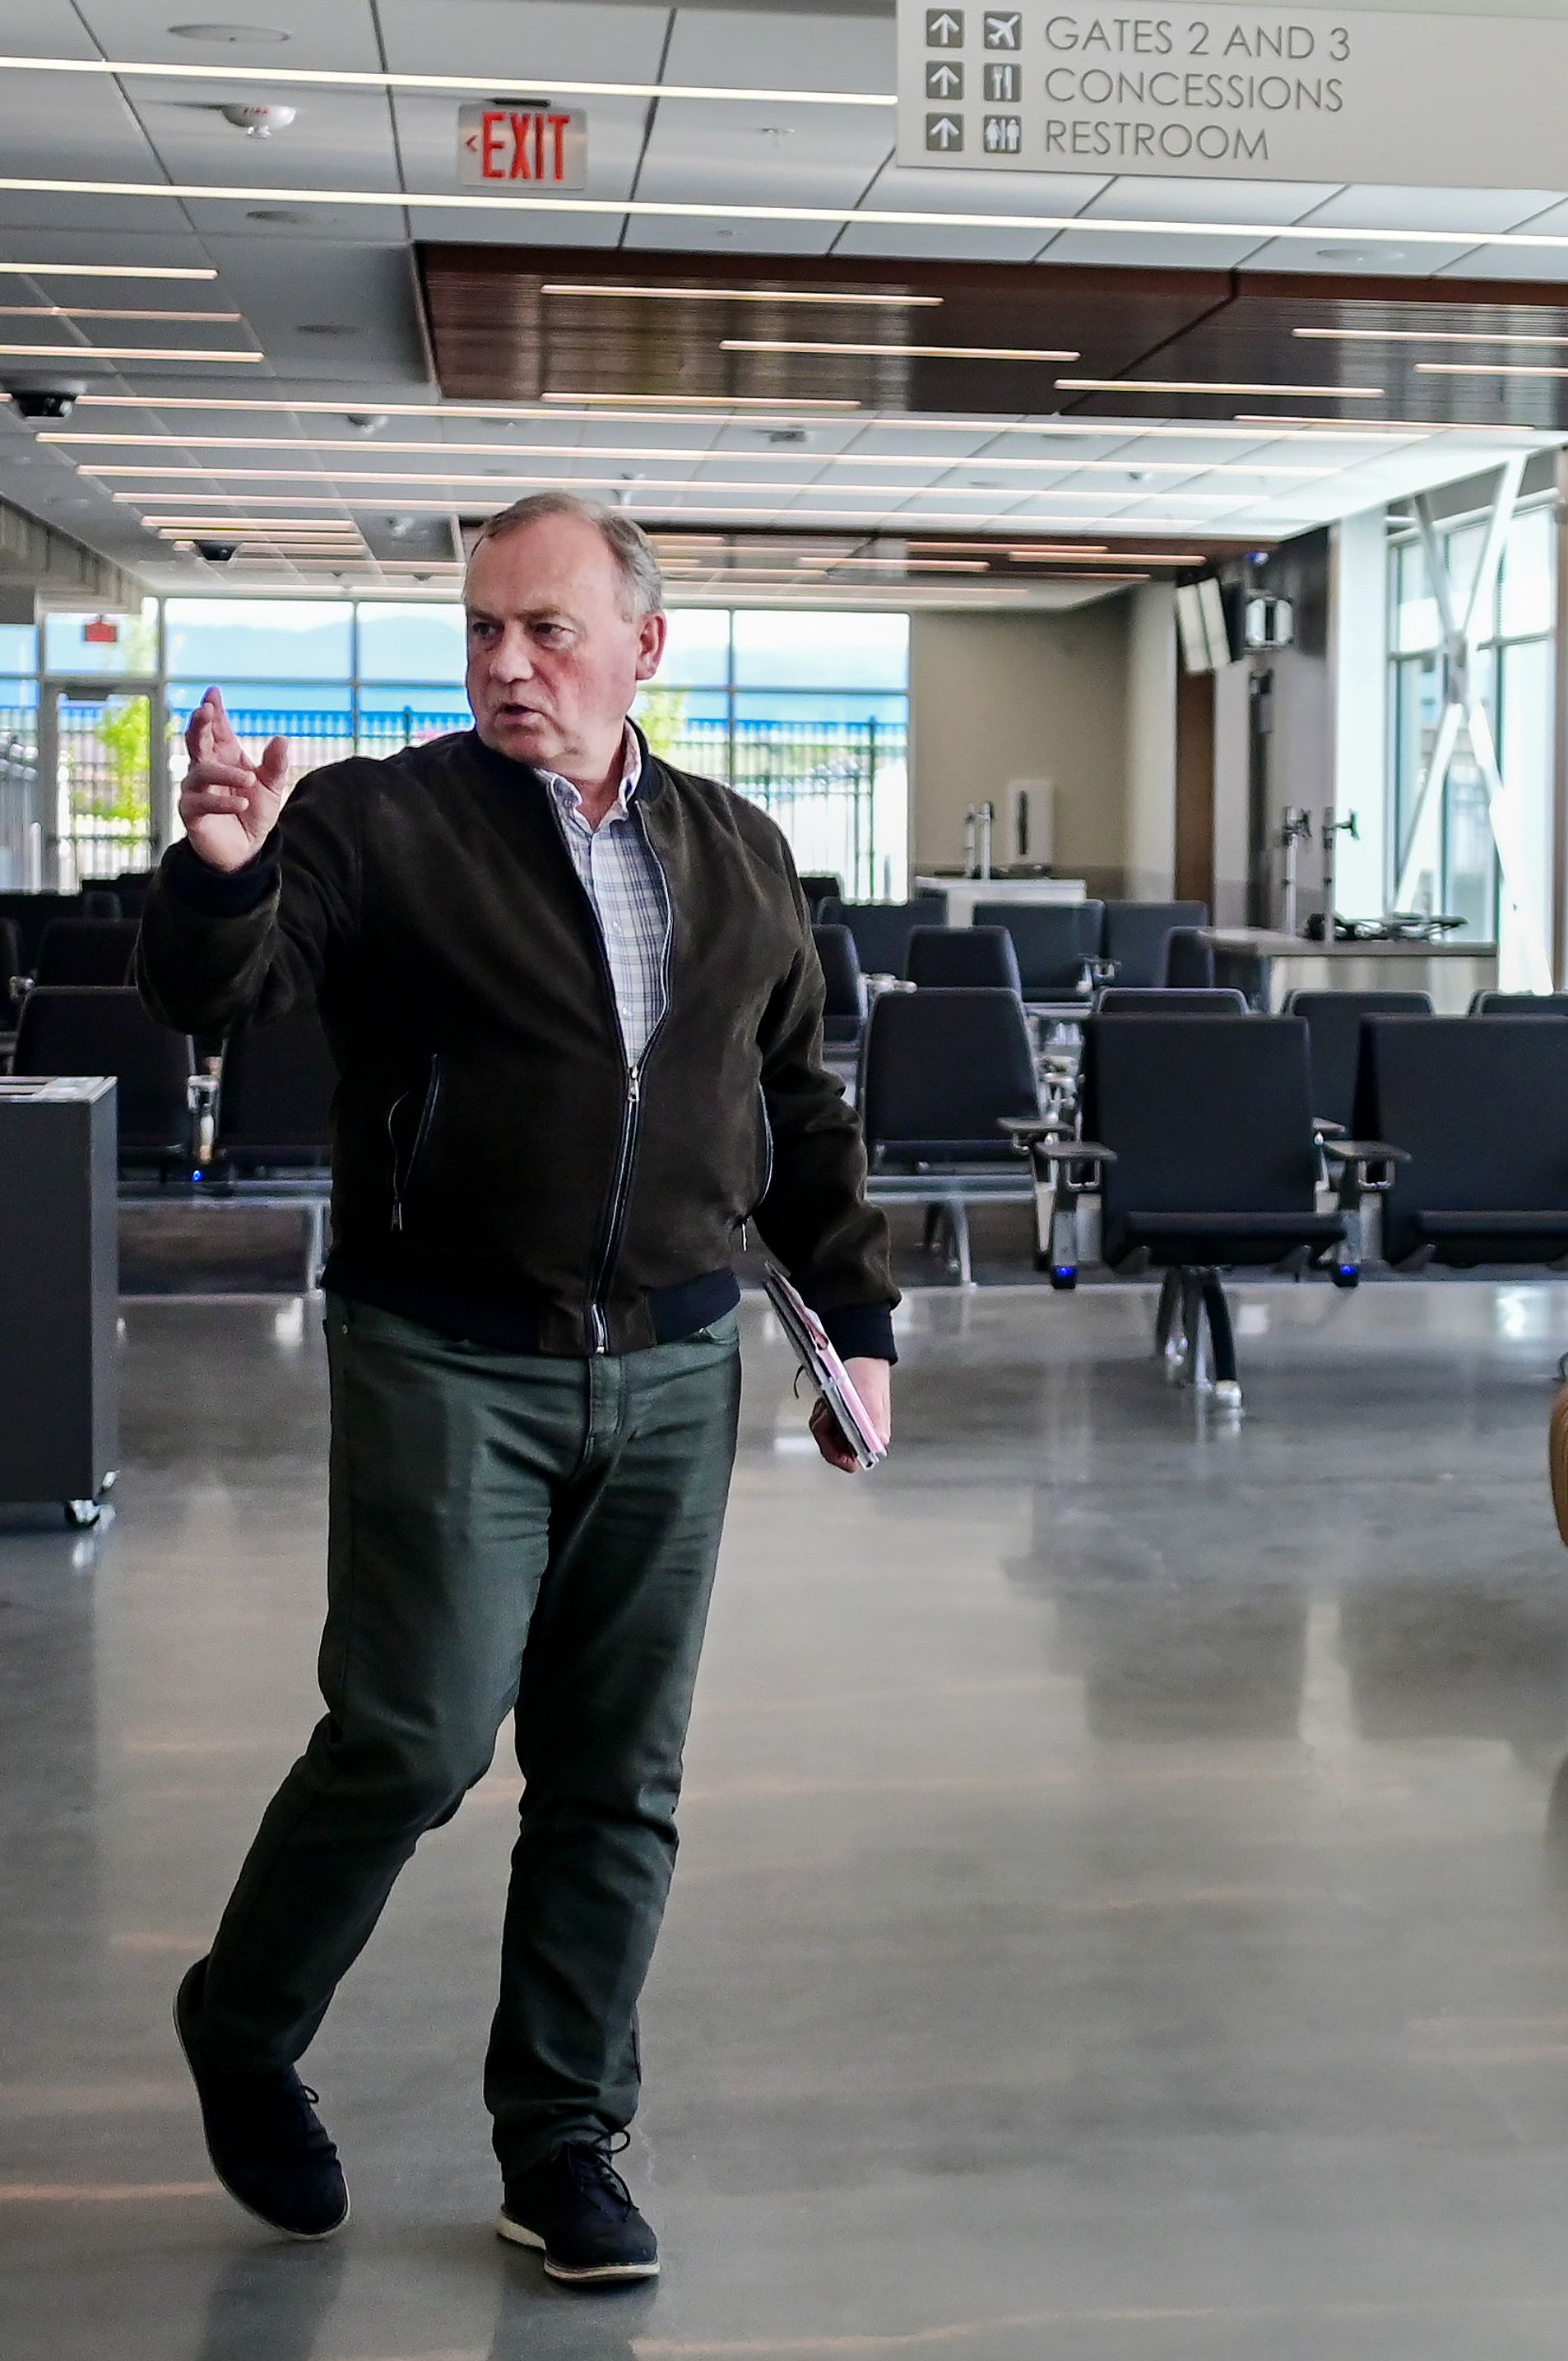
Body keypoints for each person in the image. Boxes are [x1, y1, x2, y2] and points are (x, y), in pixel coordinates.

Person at [137, 489, 898, 2289]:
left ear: (644, 646)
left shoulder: (738, 849)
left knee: (617, 1773)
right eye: (482, 627)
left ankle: (563, 2135)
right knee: (411, 1735)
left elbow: (794, 1110)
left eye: (545, 629)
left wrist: (854, 1320)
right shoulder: (377, 823)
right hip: (446, 1353)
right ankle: (243, 2025)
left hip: (673, 1361)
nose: (504, 661)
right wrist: (222, 869)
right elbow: (215, 992)